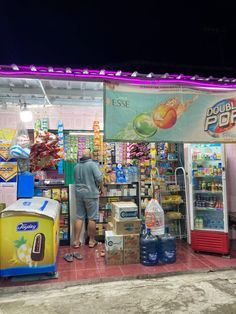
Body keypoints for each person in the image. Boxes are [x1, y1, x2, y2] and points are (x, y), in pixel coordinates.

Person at [73, 148, 103, 248]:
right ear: (90, 156)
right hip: (91, 194)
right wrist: (101, 188)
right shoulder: (92, 165)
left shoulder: (76, 166)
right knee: (92, 218)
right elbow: (99, 178)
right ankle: (91, 241)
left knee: (79, 217)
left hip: (79, 194)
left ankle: (76, 241)